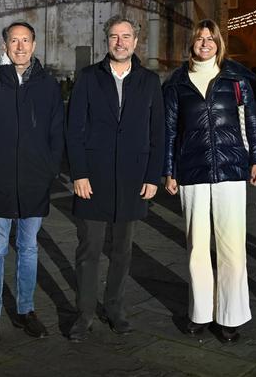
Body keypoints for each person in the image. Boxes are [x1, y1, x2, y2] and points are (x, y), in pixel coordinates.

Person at [163, 19, 256, 344]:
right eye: (200, 38)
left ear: (219, 43)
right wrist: (169, 169)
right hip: (192, 171)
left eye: (211, 38)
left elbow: (251, 121)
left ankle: (230, 317)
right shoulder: (177, 82)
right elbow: (168, 130)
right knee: (196, 248)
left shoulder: (237, 78)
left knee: (232, 247)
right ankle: (200, 313)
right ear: (191, 43)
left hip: (231, 169)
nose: (205, 43)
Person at [65, 17, 164, 341]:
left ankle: (116, 308)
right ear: (106, 41)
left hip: (133, 179)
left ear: (136, 41)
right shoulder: (89, 77)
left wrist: (153, 176)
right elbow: (74, 130)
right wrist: (78, 173)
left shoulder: (149, 81)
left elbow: (158, 132)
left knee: (123, 250)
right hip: (93, 179)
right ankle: (85, 314)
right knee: (89, 250)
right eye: (113, 37)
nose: (120, 42)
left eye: (126, 36)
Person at [0, 21, 65, 343]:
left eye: (26, 41)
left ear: (34, 45)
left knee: (28, 248)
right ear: (5, 45)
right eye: (14, 41)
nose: (20, 47)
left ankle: (26, 310)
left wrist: (50, 168)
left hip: (35, 180)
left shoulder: (48, 85)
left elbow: (56, 131)